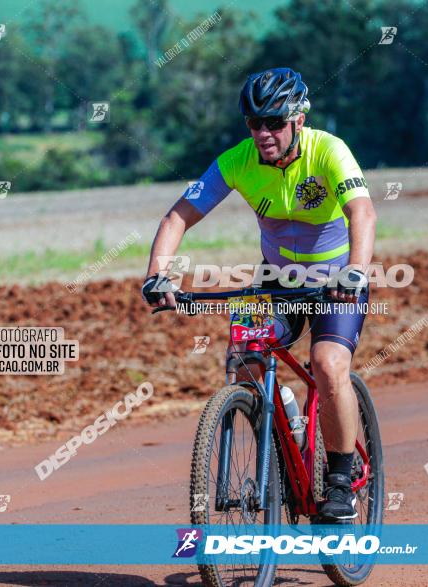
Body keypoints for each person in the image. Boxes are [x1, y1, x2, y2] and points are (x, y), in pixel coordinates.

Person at [142, 67, 377, 520]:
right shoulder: (236, 160)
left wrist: (356, 273)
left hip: (336, 284)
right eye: (254, 123)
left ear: (298, 121)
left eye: (273, 122)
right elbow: (177, 218)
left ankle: (342, 481)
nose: (263, 133)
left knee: (328, 365)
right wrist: (158, 275)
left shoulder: (329, 150)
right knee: (245, 361)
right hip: (276, 280)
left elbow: (361, 212)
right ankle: (285, 412)